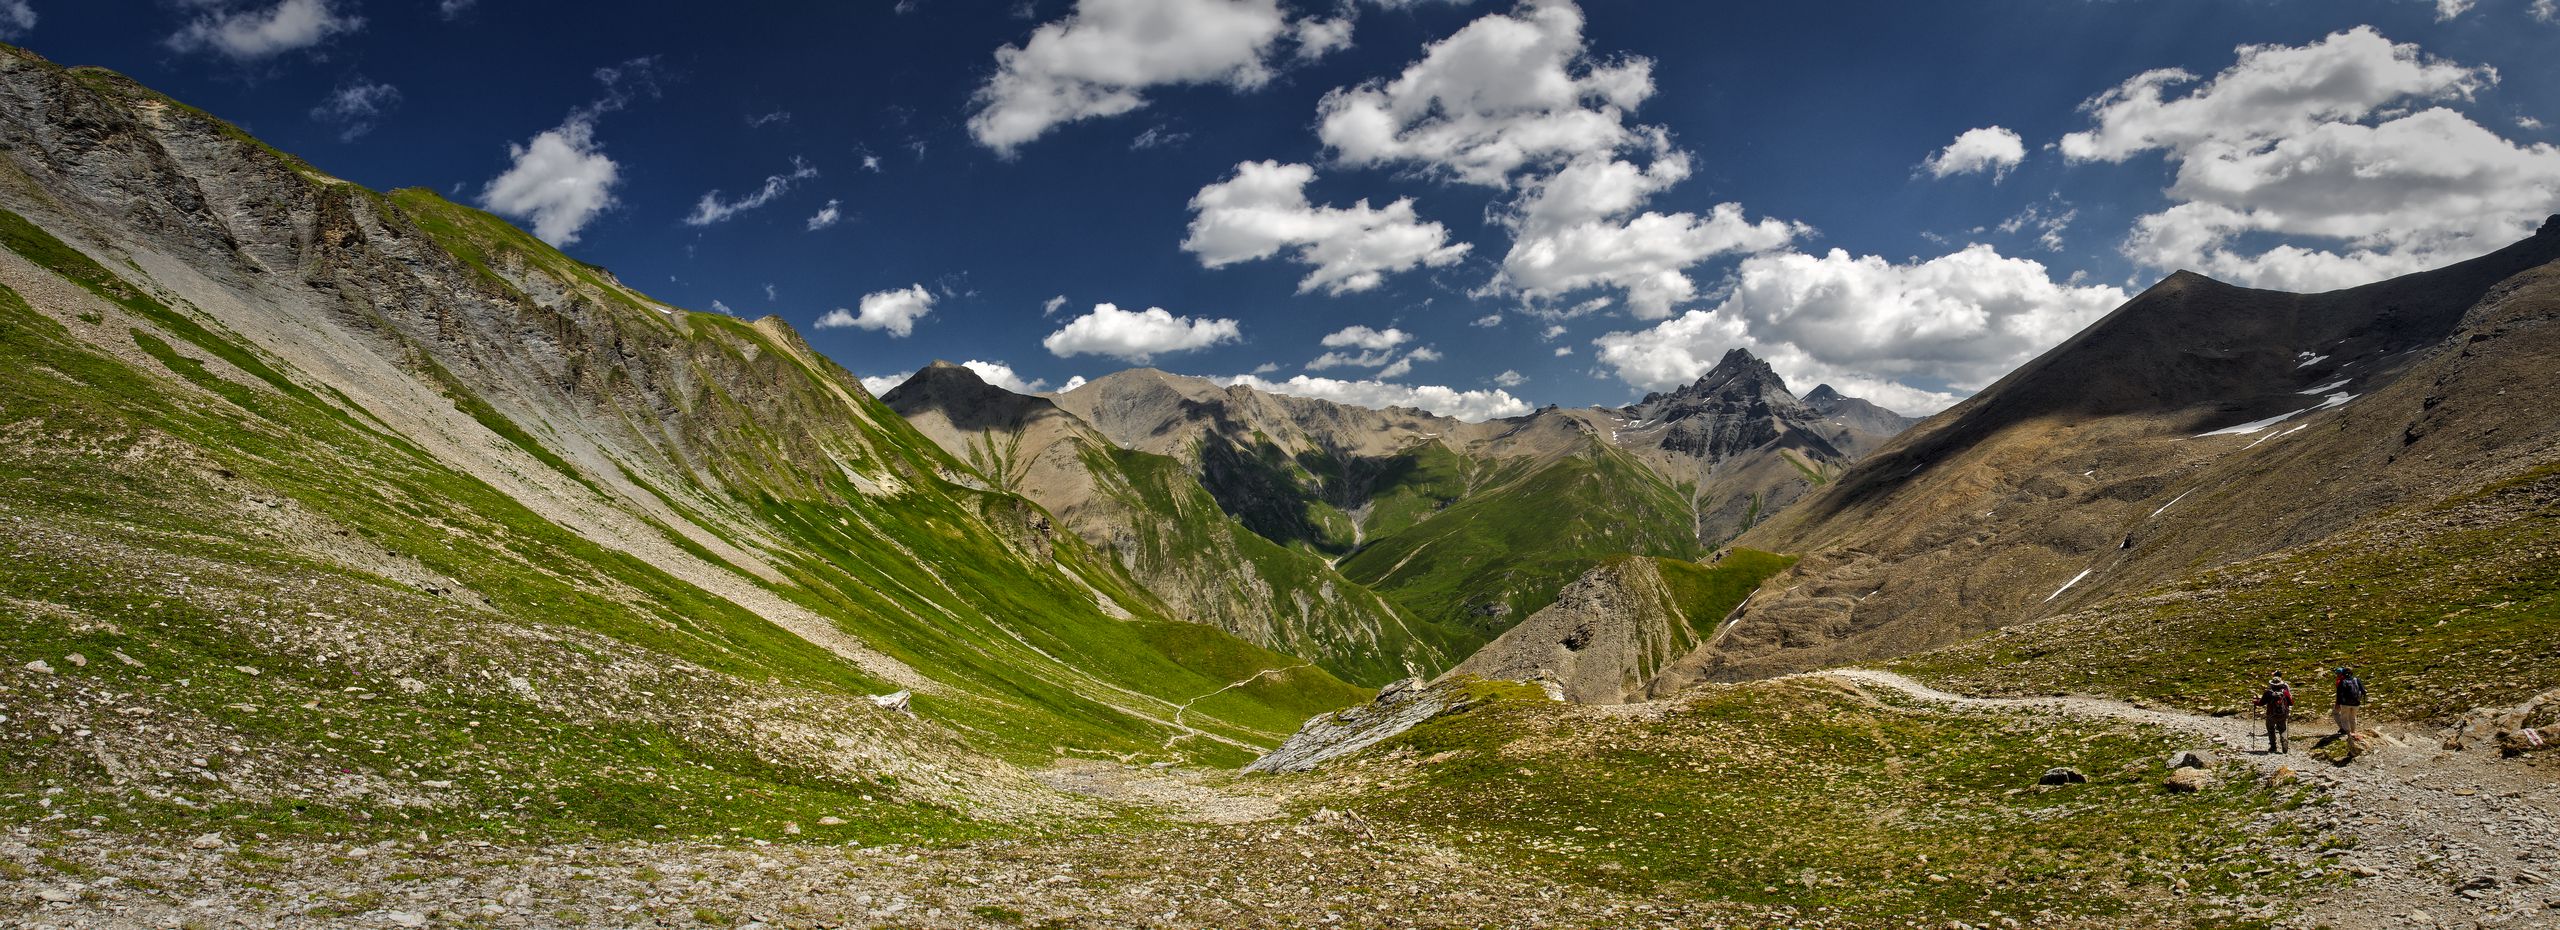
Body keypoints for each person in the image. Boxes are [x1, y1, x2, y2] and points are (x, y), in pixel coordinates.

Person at [2254, 675, 2294, 753]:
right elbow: (2291, 703)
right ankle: (2284, 743)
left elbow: (2261, 703)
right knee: (2283, 729)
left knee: (2271, 729)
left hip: (2271, 715)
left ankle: (2273, 746)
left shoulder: (2268, 693)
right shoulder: (2285, 692)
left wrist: (2255, 701)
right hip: (2283, 715)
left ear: (2272, 684)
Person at [2332, 667, 2366, 737]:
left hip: (2345, 703)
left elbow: (2339, 694)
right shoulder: (2356, 679)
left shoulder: (2342, 681)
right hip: (2356, 703)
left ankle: (2348, 732)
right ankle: (2353, 731)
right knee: (2353, 717)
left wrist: (2338, 703)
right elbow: (2363, 691)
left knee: (2344, 718)